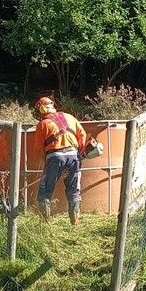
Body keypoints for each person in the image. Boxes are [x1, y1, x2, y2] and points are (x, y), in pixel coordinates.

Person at [34, 95, 88, 225]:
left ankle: (44, 223)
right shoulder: (70, 117)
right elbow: (83, 135)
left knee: (44, 191)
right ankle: (75, 223)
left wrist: (47, 163)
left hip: (54, 157)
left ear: (41, 110)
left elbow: (40, 148)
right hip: (74, 156)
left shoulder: (43, 124)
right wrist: (78, 152)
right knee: (74, 190)